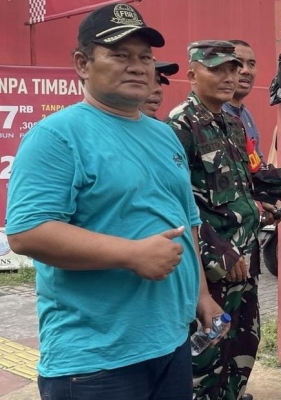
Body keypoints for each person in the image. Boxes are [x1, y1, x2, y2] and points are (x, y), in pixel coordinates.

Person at [5, 3, 225, 399]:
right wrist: (131, 254)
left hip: (170, 345)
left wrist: (201, 296)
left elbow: (186, 220)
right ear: (82, 64)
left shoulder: (163, 135)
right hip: (95, 363)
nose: (138, 67)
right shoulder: (56, 136)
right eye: (119, 55)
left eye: (145, 57)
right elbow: (27, 232)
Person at [166, 40, 281, 400]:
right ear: (192, 74)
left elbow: (254, 179)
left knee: (241, 349)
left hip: (244, 263)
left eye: (233, 68)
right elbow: (176, 205)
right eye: (217, 68)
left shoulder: (232, 124)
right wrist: (219, 255)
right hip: (212, 273)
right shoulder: (180, 126)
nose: (230, 76)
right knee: (204, 360)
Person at [223, 39, 265, 161]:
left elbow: (258, 167)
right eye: (238, 63)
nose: (246, 71)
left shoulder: (246, 116)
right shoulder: (209, 113)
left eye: (251, 64)